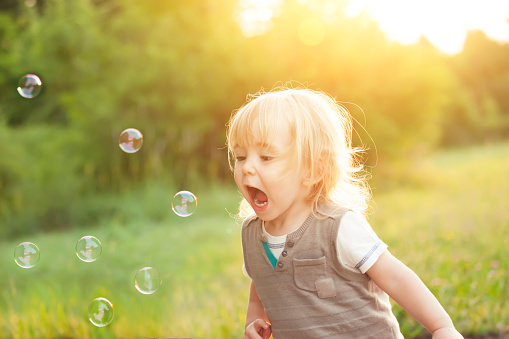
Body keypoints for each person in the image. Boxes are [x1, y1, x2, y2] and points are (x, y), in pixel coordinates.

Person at [226, 86, 464, 339]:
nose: (247, 168)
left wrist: (441, 327)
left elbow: (396, 278)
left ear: (313, 170)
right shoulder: (251, 234)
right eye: (240, 157)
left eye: (266, 156)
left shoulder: (337, 226)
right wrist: (254, 320)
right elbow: (261, 282)